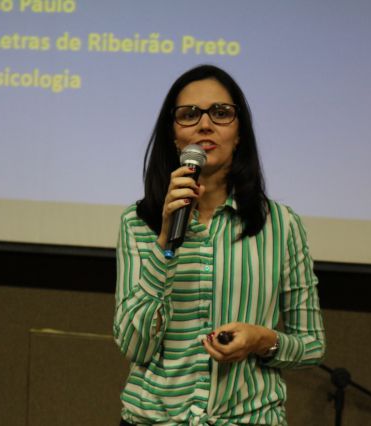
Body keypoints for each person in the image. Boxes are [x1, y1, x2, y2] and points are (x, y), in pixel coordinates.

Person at [114, 64, 325, 425]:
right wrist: (165, 241)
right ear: (173, 135)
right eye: (189, 114)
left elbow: (311, 344)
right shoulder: (137, 223)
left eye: (221, 113)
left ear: (239, 133)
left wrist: (261, 340)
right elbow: (135, 345)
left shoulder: (281, 225)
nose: (205, 124)